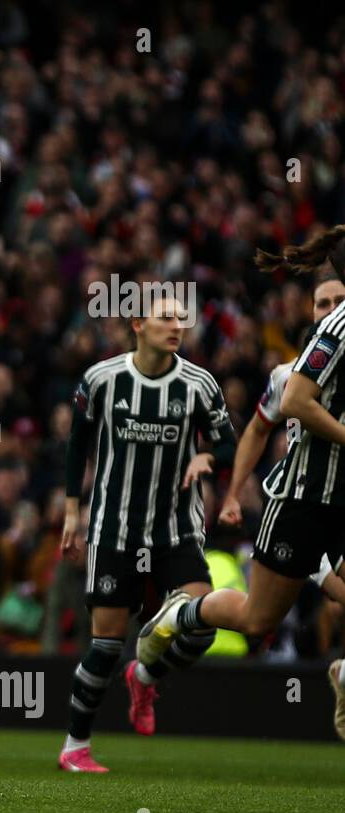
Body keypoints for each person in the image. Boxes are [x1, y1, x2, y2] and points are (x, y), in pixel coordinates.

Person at [142, 233, 345, 746]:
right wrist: (233, 494)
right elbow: (280, 413)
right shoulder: (318, 348)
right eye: (324, 301)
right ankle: (184, 611)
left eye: (336, 300)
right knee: (258, 620)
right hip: (300, 499)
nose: (331, 308)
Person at [59, 296, 236, 772]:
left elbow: (228, 441)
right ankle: (75, 747)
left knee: (202, 624)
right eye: (165, 318)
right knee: (106, 644)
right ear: (139, 324)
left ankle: (147, 673)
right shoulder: (101, 379)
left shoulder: (199, 384)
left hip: (176, 528)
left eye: (181, 318)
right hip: (113, 528)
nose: (176, 325)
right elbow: (78, 444)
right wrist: (72, 510)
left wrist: (209, 458)